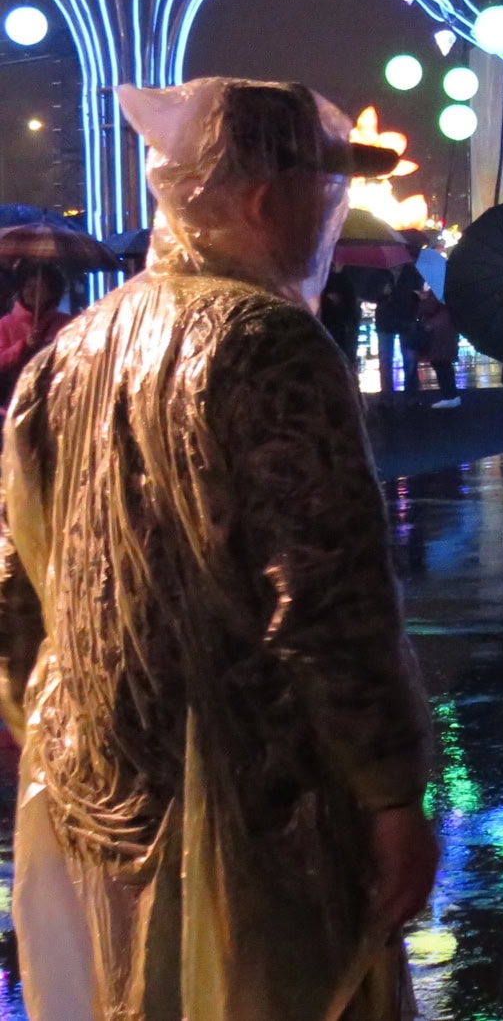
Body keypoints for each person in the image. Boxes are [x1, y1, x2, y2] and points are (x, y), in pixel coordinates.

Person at [0, 78, 434, 1017]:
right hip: (262, 801)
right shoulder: (268, 343)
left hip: (96, 795)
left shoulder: (68, 355)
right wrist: (391, 791)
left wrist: (52, 736)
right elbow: (323, 596)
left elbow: (16, 586)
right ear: (268, 197)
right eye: (327, 191)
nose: (330, 216)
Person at [0, 263, 70, 404]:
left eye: (38, 288)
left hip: (54, 400)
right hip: (15, 402)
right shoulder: (5, 324)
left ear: (52, 292)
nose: (30, 292)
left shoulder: (65, 323)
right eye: (27, 287)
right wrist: (23, 346)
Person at [375, 251, 424, 394]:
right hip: (385, 320)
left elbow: (418, 294)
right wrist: (382, 292)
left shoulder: (411, 272)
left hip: (406, 318)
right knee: (385, 360)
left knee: (409, 359)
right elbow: (370, 293)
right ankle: (387, 395)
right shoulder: (380, 273)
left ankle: (412, 394)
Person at [416, 277, 463, 408]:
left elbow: (428, 308)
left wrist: (422, 298)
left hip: (438, 331)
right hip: (447, 330)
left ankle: (449, 395)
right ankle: (452, 395)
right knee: (445, 364)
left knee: (440, 364)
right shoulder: (451, 290)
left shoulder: (437, 291)